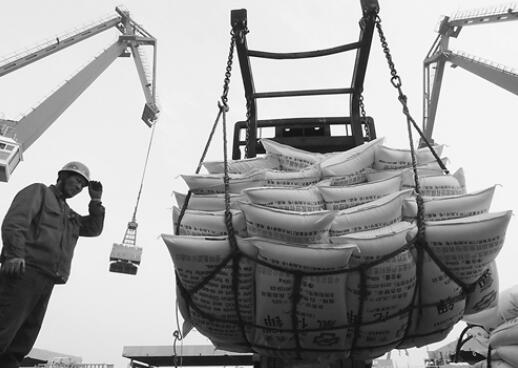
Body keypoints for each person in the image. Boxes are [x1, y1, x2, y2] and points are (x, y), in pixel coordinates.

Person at [0, 161, 105, 367]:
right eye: (76, 181)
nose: (78, 188)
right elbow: (16, 222)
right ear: (62, 176)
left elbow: (93, 228)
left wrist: (96, 201)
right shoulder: (39, 192)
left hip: (47, 279)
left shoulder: (69, 215)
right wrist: (14, 254)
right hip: (23, 271)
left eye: (82, 186)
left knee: (22, 340)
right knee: (4, 327)